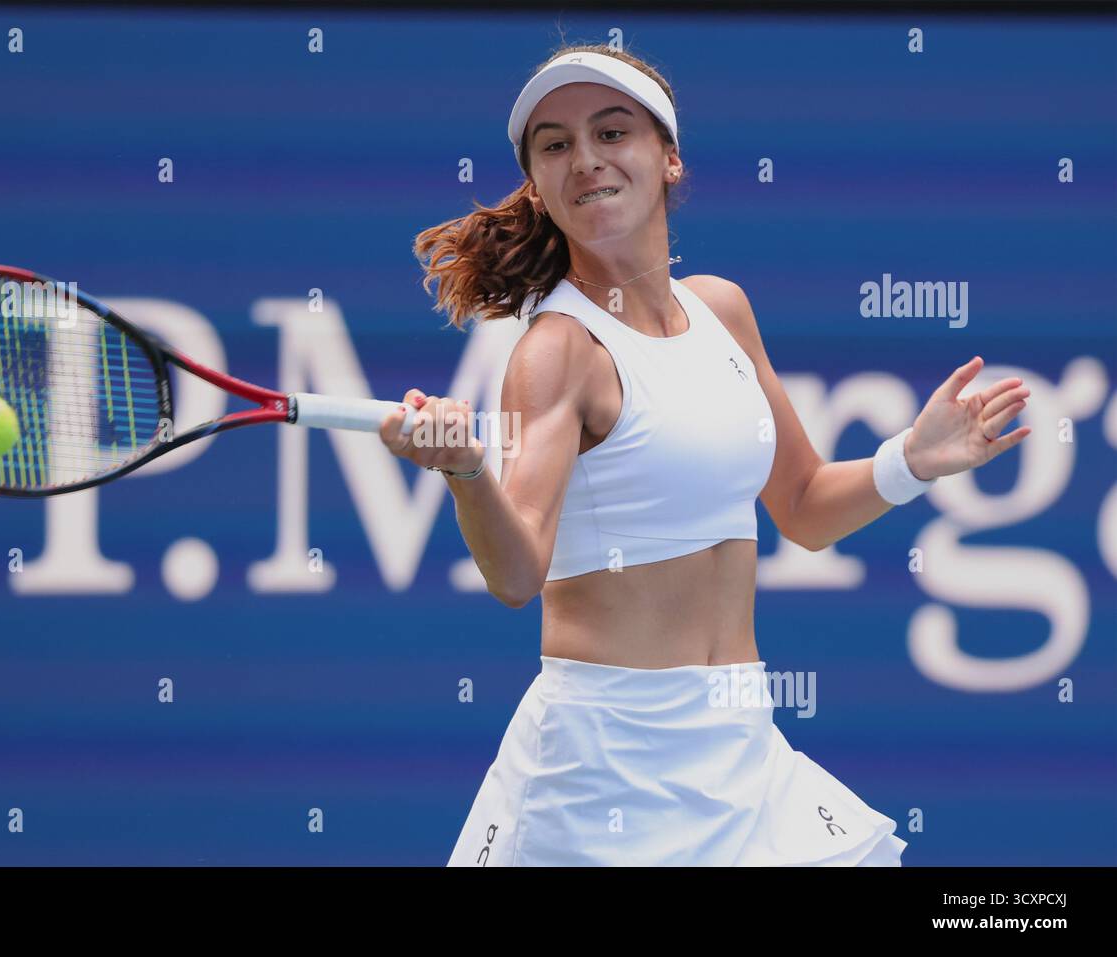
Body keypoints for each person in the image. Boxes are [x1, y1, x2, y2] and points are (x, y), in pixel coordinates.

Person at [380, 44, 1033, 866]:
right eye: (555, 144)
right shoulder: (559, 350)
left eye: (611, 131)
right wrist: (468, 471)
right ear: (538, 186)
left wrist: (912, 458)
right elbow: (516, 577)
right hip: (606, 769)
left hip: (742, 745)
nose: (585, 159)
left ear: (669, 156)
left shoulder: (723, 308)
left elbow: (803, 507)